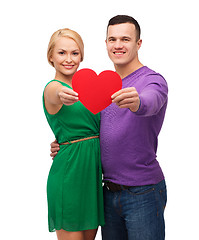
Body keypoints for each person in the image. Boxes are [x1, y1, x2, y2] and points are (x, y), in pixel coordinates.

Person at [51, 15, 168, 240]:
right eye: (112, 39)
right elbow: (95, 129)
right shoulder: (103, 85)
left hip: (143, 192)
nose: (118, 45)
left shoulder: (152, 80)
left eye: (125, 39)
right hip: (106, 193)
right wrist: (66, 144)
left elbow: (153, 100)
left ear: (138, 44)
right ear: (105, 44)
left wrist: (138, 102)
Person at [43, 28, 104, 240]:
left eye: (75, 53)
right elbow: (52, 94)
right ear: (51, 55)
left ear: (82, 55)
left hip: (92, 178)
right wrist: (61, 94)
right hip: (69, 176)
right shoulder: (53, 87)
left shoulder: (90, 89)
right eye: (62, 53)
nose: (69, 59)